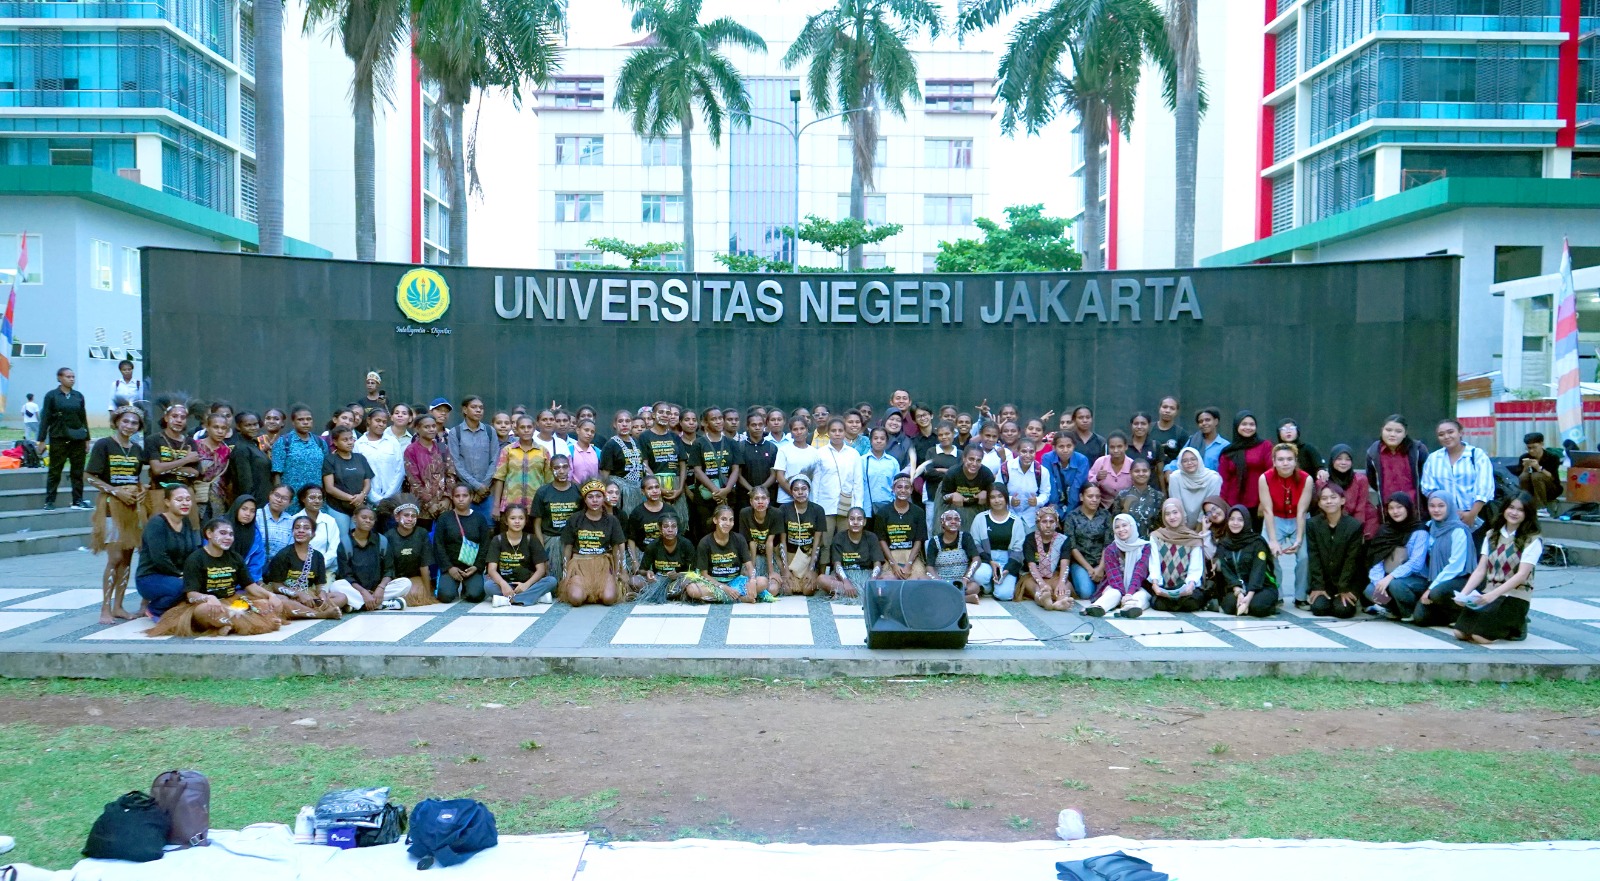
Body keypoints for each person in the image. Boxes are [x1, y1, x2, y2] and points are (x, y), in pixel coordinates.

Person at [148, 517, 280, 637]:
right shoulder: (195, 559)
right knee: (208, 611)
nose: (228, 537)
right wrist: (208, 598)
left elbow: (250, 586)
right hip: (205, 605)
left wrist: (270, 595)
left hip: (231, 601)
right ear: (209, 534)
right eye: (222, 533)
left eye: (231, 534)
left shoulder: (235, 558)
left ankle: (224, 625)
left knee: (267, 604)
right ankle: (246, 623)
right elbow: (191, 595)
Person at [1451, 492, 1542, 644]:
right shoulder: (1492, 535)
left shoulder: (1532, 539)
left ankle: (1518, 625)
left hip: (1515, 596)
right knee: (1460, 632)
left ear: (1528, 513)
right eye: (1511, 507)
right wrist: (1463, 594)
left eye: (1520, 510)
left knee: (1480, 637)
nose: (1514, 512)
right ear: (1504, 509)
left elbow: (1521, 575)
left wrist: (1493, 595)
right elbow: (1480, 570)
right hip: (1489, 593)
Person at [87, 405, 147, 624]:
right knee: (115, 558)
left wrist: (141, 489)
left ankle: (119, 606)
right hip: (111, 506)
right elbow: (89, 476)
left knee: (127, 559)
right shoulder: (104, 444)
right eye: (125, 421)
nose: (129, 426)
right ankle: (105, 608)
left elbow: (135, 477)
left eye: (134, 423)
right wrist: (115, 491)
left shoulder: (137, 449)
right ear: (117, 422)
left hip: (132, 506)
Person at [1404, 493, 1481, 627]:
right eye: (1432, 506)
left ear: (1449, 507)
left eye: (1441, 506)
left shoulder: (1459, 530)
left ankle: (1464, 614)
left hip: (1460, 579)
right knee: (1420, 619)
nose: (1436, 510)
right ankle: (1451, 615)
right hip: (1435, 579)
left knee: (1436, 592)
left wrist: (1430, 589)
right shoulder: (1429, 527)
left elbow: (1455, 566)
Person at [1419, 419, 1494, 538]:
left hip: (1476, 517)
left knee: (1475, 547)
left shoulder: (1477, 455)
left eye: (1450, 432)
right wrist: (1448, 511)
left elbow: (1485, 486)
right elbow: (1428, 488)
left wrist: (1472, 514)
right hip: (1444, 518)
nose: (1446, 437)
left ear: (1460, 432)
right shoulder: (1433, 459)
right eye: (1441, 434)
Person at [134, 485, 199, 620]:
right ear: (167, 502)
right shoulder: (157, 524)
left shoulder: (186, 522)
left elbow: (193, 552)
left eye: (188, 499)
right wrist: (180, 575)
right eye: (179, 500)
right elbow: (159, 558)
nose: (185, 503)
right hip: (150, 577)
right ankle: (154, 609)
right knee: (182, 587)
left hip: (177, 576)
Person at [1260, 443, 1313, 608]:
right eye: (1281, 459)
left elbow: (1302, 512)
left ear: (1295, 461)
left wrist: (1298, 539)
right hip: (1275, 518)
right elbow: (1267, 510)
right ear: (1274, 461)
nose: (1285, 463)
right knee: (1268, 553)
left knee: (1304, 556)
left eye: (1289, 459)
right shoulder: (1265, 478)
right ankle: (1276, 594)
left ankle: (1301, 596)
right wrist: (1273, 540)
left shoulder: (1306, 479)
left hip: (1298, 519)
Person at [1364, 492, 1432, 619]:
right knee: (1371, 590)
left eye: (1399, 507)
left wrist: (1390, 577)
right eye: (1391, 508)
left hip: (1417, 580)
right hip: (1391, 579)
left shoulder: (1420, 531)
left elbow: (1416, 563)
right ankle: (1394, 610)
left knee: (1396, 584)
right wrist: (1379, 582)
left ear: (1408, 508)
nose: (1395, 511)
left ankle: (1410, 612)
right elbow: (1376, 559)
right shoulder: (1385, 530)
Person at [559, 480, 626, 607]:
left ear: (604, 498)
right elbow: (568, 547)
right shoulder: (575, 519)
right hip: (579, 564)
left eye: (598, 496)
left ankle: (598, 590)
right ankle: (583, 590)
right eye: (590, 497)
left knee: (609, 599)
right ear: (585, 500)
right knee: (576, 599)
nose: (594, 500)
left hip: (602, 565)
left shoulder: (612, 520)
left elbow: (617, 549)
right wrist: (566, 572)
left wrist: (618, 572)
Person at [263, 515, 344, 620]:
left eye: (306, 528)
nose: (301, 530)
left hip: (307, 592)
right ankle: (320, 614)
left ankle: (301, 611)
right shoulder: (283, 555)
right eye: (297, 528)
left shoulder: (318, 556)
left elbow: (320, 585)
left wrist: (322, 595)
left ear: (313, 534)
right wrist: (297, 594)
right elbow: (276, 586)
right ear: (292, 532)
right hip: (285, 593)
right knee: (281, 601)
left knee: (341, 597)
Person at [685, 504, 769, 603]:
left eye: (731, 520)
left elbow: (749, 565)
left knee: (763, 582)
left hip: (735, 582)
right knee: (692, 590)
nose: (728, 523)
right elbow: (704, 575)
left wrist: (752, 580)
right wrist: (724, 588)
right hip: (714, 584)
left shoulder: (739, 539)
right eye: (723, 519)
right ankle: (740, 598)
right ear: (715, 520)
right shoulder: (705, 542)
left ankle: (725, 598)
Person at [330, 507, 408, 612]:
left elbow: (389, 570)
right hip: (356, 589)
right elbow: (346, 575)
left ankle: (358, 604)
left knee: (405, 583)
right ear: (354, 519)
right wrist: (363, 592)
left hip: (378, 589)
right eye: (364, 517)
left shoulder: (382, 541)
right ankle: (381, 605)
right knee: (336, 586)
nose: (368, 521)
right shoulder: (345, 543)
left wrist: (380, 588)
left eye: (371, 519)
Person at [1305, 484, 1365, 618]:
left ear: (1342, 500)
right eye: (1324, 498)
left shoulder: (1354, 526)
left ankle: (1341, 599)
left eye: (1333, 497)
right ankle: (1327, 597)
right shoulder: (1312, 524)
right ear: (1319, 503)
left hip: (1347, 581)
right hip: (1324, 582)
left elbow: (1352, 560)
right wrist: (1318, 586)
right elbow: (1314, 556)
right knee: (1319, 609)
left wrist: (1344, 588)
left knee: (1342, 611)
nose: (1329, 501)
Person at [815, 418, 866, 565]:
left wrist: (857, 508)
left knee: (846, 542)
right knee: (825, 543)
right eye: (833, 431)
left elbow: (858, 483)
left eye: (840, 430)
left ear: (845, 432)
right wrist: (815, 507)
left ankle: (845, 572)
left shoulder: (853, 454)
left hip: (848, 506)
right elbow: (816, 483)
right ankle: (823, 573)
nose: (837, 434)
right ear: (828, 432)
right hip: (825, 506)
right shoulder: (820, 453)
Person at [38, 366, 90, 510]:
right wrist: (41, 440)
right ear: (60, 378)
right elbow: (45, 419)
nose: (72, 379)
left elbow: (83, 418)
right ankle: (49, 501)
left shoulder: (78, 396)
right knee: (55, 470)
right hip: (59, 437)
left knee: (77, 471)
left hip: (77, 438)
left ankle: (78, 500)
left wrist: (87, 439)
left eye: (73, 377)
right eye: (68, 376)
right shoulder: (52, 396)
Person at [1145, 498, 1208, 613]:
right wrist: (1155, 584)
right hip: (1165, 587)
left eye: (1175, 512)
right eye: (1167, 514)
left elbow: (1195, 567)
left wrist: (1191, 585)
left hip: (1185, 587)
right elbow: (1154, 563)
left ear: (1182, 513)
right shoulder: (1156, 536)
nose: (1172, 517)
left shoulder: (1193, 538)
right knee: (1159, 604)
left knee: (1192, 603)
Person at [486, 504, 558, 605]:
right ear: (506, 521)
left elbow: (541, 569)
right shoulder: (498, 540)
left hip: (528, 584)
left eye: (521, 518)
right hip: (507, 583)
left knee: (551, 581)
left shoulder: (531, 539)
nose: (517, 521)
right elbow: (491, 570)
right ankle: (535, 597)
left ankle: (510, 600)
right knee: (488, 586)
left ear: (526, 521)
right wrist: (503, 584)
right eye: (513, 518)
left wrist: (526, 585)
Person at [1214, 506, 1277, 618]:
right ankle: (1246, 606)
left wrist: (1249, 596)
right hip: (1239, 587)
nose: (1235, 523)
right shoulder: (1223, 544)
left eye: (1240, 520)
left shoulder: (1257, 542)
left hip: (1261, 586)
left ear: (1247, 521)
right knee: (1228, 606)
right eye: (1232, 519)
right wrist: (1238, 592)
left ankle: (1258, 605)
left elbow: (1258, 571)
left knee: (1257, 607)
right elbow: (1226, 570)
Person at [689, 407, 740, 542]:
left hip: (728, 495)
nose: (718, 421)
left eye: (720, 418)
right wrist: (716, 491)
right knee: (705, 530)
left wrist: (727, 489)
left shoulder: (731, 443)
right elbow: (697, 471)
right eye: (713, 419)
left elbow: (736, 469)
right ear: (705, 423)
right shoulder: (698, 443)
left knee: (727, 529)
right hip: (705, 496)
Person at [1085, 513, 1151, 617]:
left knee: (1140, 596)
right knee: (1113, 594)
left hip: (1139, 586)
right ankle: (1098, 607)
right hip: (1116, 586)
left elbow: (1140, 572)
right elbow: (1114, 577)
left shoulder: (1145, 547)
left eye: (1124, 525)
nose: (1121, 529)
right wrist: (1123, 594)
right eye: (1117, 527)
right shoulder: (1111, 549)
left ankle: (1129, 609)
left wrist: (1129, 593)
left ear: (1132, 526)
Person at [435, 484, 493, 602]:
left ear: (471, 497)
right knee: (445, 596)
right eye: (457, 496)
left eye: (465, 496)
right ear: (452, 498)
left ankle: (468, 587)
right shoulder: (444, 518)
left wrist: (476, 567)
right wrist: (449, 568)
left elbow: (485, 545)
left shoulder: (479, 519)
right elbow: (438, 545)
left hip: (472, 567)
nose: (461, 499)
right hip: (451, 567)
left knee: (475, 595)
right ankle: (451, 584)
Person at [447, 396, 500, 522]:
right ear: (465, 410)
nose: (478, 410)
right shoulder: (455, 432)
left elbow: (495, 460)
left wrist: (484, 486)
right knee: (465, 527)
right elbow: (456, 464)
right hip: (464, 493)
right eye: (474, 407)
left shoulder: (490, 431)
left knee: (489, 527)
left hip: (487, 492)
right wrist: (476, 486)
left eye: (481, 408)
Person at [490, 414, 551, 519]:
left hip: (536, 505)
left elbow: (549, 480)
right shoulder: (508, 450)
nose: (526, 430)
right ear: (517, 429)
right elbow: (500, 478)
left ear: (534, 429)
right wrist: (496, 506)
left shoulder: (543, 451)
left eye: (529, 427)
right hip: (511, 505)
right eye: (522, 427)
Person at [638, 402, 690, 523]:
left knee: (677, 521)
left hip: (675, 484)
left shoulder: (675, 437)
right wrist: (658, 487)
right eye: (661, 412)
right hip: (654, 485)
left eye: (668, 413)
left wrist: (680, 488)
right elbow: (644, 464)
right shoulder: (644, 436)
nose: (665, 415)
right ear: (653, 415)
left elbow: (682, 463)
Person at [402, 413, 456, 530]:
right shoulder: (411, 450)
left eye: (433, 426)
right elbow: (414, 481)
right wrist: (429, 504)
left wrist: (447, 498)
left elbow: (451, 473)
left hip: (444, 505)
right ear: (417, 429)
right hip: (422, 507)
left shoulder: (442, 447)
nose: (431, 429)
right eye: (427, 427)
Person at [532, 454, 581, 581]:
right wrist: (542, 550)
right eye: (557, 468)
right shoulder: (543, 492)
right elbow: (537, 524)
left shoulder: (578, 490)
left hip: (573, 541)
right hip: (550, 540)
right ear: (550, 469)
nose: (561, 471)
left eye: (565, 467)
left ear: (570, 468)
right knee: (553, 579)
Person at [776, 475, 827, 595]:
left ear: (809, 490)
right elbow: (782, 542)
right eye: (796, 489)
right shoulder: (784, 509)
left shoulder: (818, 510)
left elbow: (817, 543)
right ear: (791, 491)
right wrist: (785, 569)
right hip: (789, 556)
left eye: (804, 489)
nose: (800, 492)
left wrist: (811, 569)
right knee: (787, 590)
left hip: (808, 557)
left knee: (807, 590)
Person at [970, 487, 1024, 600]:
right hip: (986, 559)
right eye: (992, 497)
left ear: (1006, 498)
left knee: (1004, 595)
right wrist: (990, 561)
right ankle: (988, 587)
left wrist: (1007, 570)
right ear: (988, 500)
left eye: (1000, 496)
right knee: (979, 576)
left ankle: (1000, 583)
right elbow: (975, 544)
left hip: (1007, 560)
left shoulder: (1016, 521)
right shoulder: (980, 518)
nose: (997, 500)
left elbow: (1018, 550)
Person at [1016, 506, 1073, 611]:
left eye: (1052, 522)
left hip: (1055, 575)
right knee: (1038, 589)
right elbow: (1031, 566)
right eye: (1044, 521)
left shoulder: (1064, 540)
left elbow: (1065, 564)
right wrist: (1042, 584)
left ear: (1057, 523)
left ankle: (1060, 602)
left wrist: (1061, 582)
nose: (1048, 525)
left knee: (1064, 587)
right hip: (1032, 576)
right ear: (1038, 523)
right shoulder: (1030, 539)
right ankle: (1044, 601)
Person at [319, 426, 372, 539]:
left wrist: (362, 495)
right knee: (342, 539)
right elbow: (329, 488)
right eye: (345, 440)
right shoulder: (330, 460)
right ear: (335, 442)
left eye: (351, 438)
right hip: (338, 508)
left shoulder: (360, 458)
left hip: (359, 506)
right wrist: (352, 498)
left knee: (359, 539)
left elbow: (367, 482)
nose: (350, 442)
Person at [385, 499, 439, 607]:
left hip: (415, 578)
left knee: (417, 596)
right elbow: (387, 569)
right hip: (395, 580)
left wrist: (428, 593)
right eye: (406, 515)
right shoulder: (388, 536)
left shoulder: (422, 533)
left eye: (413, 516)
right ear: (397, 517)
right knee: (404, 590)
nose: (410, 519)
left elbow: (424, 567)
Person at [925, 508, 985, 605]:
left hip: (961, 582)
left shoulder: (966, 537)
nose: (953, 521)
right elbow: (929, 567)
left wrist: (966, 578)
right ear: (942, 523)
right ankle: (965, 599)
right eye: (949, 519)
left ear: (960, 523)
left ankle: (947, 596)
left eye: (956, 519)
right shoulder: (934, 541)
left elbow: (976, 559)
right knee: (924, 582)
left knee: (975, 587)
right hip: (941, 581)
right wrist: (939, 582)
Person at [633, 511, 696, 602]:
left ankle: (657, 593)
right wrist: (648, 572)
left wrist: (678, 575)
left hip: (679, 581)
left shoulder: (686, 545)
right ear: (660, 528)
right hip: (658, 580)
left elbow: (693, 572)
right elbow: (641, 570)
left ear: (678, 528)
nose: (670, 530)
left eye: (673, 526)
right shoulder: (653, 546)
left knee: (689, 584)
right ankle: (671, 594)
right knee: (634, 581)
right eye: (666, 526)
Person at [1365, 415, 1427, 505]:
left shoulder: (1418, 450)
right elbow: (1372, 480)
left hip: (1414, 506)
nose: (1392, 434)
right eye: (1388, 430)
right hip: (1387, 506)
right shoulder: (1373, 452)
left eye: (1398, 431)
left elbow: (1425, 478)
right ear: (1382, 430)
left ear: (1405, 433)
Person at [874, 475, 927, 581]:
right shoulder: (883, 512)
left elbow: (919, 540)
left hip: (912, 555)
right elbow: (881, 540)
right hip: (891, 555)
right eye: (899, 487)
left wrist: (909, 564)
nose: (903, 490)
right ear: (893, 489)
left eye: (907, 487)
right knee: (888, 580)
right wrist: (893, 564)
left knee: (918, 579)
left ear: (911, 490)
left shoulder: (918, 512)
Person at [272, 405, 327, 506]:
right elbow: (276, 473)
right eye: (301, 419)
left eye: (309, 419)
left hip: (315, 498)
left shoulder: (320, 442)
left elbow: (326, 472)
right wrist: (281, 496)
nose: (305, 422)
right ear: (293, 422)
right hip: (291, 498)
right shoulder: (284, 442)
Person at [1218, 411, 1271, 516]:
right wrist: (1223, 504)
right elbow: (1224, 480)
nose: (1248, 427)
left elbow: (1270, 474)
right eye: (1244, 424)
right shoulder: (1228, 451)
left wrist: (1264, 502)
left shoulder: (1265, 446)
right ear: (1237, 426)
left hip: (1259, 503)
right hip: (1233, 504)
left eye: (1252, 424)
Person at [355, 407, 405, 516]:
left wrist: (388, 497)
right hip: (369, 501)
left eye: (384, 422)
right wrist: (375, 498)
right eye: (377, 420)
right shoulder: (359, 445)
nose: (381, 424)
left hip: (393, 500)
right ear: (369, 420)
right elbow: (360, 474)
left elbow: (400, 470)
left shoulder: (393, 442)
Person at [1322, 444, 1379, 538]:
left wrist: (1355, 533)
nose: (1343, 462)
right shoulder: (1324, 481)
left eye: (1348, 459)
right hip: (1333, 522)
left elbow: (1360, 509)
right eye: (1339, 459)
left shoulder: (1360, 479)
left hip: (1362, 522)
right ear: (1332, 460)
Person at [600, 408, 648, 516]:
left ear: (631, 424)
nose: (624, 424)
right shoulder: (610, 445)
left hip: (637, 489)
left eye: (627, 421)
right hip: (619, 492)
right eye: (620, 421)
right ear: (615, 424)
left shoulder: (636, 442)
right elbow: (605, 474)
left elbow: (642, 465)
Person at [937, 444, 995, 533]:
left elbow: (994, 495)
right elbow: (943, 497)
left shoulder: (986, 474)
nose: (974, 464)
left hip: (978, 509)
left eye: (978, 460)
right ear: (964, 458)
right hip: (954, 509)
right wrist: (952, 496)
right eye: (971, 459)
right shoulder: (952, 473)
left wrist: (987, 494)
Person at [193, 411, 233, 521]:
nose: (220, 431)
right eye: (216, 427)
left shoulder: (227, 451)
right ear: (207, 427)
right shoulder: (195, 445)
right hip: (197, 496)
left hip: (219, 499)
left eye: (223, 428)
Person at [296, 485, 342, 579]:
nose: (317, 501)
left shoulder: (329, 521)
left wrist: (318, 566)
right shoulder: (294, 520)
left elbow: (334, 548)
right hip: (297, 570)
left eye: (320, 498)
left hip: (324, 569)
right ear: (303, 499)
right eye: (312, 497)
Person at [228, 411, 273, 504]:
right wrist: (250, 503)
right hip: (254, 501)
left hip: (263, 497)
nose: (253, 428)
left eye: (255, 424)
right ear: (238, 427)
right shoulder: (241, 449)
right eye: (248, 425)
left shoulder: (253, 444)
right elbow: (245, 483)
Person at [1040, 433, 1088, 518]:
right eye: (1061, 446)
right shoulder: (1047, 458)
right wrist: (1055, 508)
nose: (1065, 450)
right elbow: (1050, 484)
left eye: (1069, 446)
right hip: (1052, 504)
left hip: (1075, 504)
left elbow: (1077, 486)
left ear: (1074, 446)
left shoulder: (1082, 460)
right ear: (1054, 447)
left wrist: (1069, 512)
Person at [1116, 458, 1165, 537]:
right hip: (1127, 541)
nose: (1141, 474)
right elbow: (1115, 522)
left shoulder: (1158, 496)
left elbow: (1163, 525)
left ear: (1150, 472)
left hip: (1153, 541)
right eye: (1137, 471)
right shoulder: (1122, 495)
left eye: (1144, 471)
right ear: (1130, 473)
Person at [1518, 432, 1563, 514]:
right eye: (1529, 448)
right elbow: (1520, 477)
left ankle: (1541, 508)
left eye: (1534, 447)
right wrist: (1525, 468)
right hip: (1532, 488)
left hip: (1551, 488)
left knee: (1536, 476)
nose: (1531, 451)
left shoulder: (1552, 457)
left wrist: (1538, 467)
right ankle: (1525, 505)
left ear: (1542, 444)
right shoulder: (1524, 457)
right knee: (1524, 477)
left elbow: (1552, 477)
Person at [1085, 431, 1135, 507]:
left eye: (1119, 447)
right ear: (1108, 448)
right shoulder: (1100, 462)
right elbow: (1088, 484)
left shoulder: (1132, 465)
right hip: (1101, 505)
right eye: (1112, 447)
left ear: (1126, 447)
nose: (1116, 450)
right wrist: (1097, 478)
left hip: (1125, 506)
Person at [1172, 406, 1227, 473]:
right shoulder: (1193, 441)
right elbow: (1179, 460)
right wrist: (1169, 469)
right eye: (1200, 421)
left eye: (1207, 420)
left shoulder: (1225, 446)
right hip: (1190, 478)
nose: (1204, 423)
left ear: (1216, 421)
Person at [861, 428, 902, 515]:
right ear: (870, 440)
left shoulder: (893, 462)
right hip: (867, 507)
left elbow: (897, 485)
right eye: (875, 438)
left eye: (882, 439)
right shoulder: (862, 461)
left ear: (887, 441)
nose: (879, 441)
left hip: (889, 506)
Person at [228, 495, 267, 585]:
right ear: (236, 508)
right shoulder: (220, 527)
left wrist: (248, 584)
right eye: (244, 509)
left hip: (244, 583)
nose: (248, 514)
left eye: (252, 511)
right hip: (219, 580)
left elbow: (256, 563)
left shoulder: (255, 532)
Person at [258, 484, 297, 562]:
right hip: (256, 565)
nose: (279, 500)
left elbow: (291, 548)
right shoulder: (256, 516)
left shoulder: (291, 521)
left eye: (285, 498)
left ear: (290, 503)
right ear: (270, 495)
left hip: (281, 565)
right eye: (276, 495)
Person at [108, 359, 143, 424]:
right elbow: (112, 402)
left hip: (135, 415)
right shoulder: (116, 384)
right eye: (124, 370)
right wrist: (111, 419)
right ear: (120, 371)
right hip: (120, 415)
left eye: (129, 369)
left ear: (132, 370)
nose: (127, 371)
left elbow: (142, 401)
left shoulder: (138, 384)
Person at [570, 418, 601, 485]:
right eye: (586, 430)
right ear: (578, 430)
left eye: (592, 432)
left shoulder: (597, 452)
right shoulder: (570, 450)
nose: (589, 434)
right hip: (574, 489)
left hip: (594, 489)